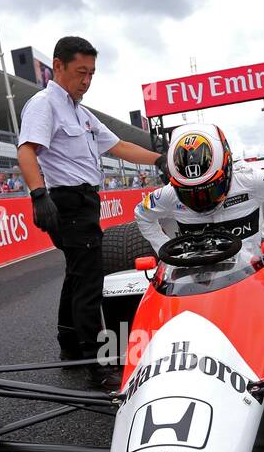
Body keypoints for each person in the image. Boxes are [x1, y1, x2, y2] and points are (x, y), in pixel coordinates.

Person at [17, 35, 166, 389]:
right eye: (80, 72)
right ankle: (99, 364)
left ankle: (69, 344)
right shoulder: (44, 104)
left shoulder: (80, 112)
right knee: (89, 281)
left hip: (84, 201)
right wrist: (39, 194)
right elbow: (26, 150)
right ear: (58, 66)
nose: (86, 80)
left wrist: (161, 159)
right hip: (65, 202)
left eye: (92, 73)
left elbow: (119, 146)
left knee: (77, 273)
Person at [134, 123, 264, 274]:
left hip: (252, 270)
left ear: (226, 170)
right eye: (189, 192)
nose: (200, 200)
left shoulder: (250, 180)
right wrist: (165, 253)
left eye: (209, 189)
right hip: (194, 275)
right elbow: (142, 213)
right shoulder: (169, 194)